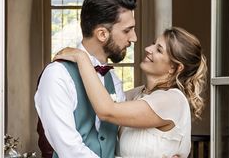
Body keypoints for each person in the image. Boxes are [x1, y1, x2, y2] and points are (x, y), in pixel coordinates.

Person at [55, 27, 207, 158]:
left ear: (175, 67)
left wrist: (82, 58)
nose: (148, 49)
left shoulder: (172, 100)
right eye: (154, 44)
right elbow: (98, 100)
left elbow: (107, 111)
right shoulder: (137, 94)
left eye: (159, 49)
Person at [35, 0, 137, 158]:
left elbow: (116, 144)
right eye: (127, 30)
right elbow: (69, 149)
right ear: (102, 34)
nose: (134, 38)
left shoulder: (113, 79)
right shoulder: (57, 75)